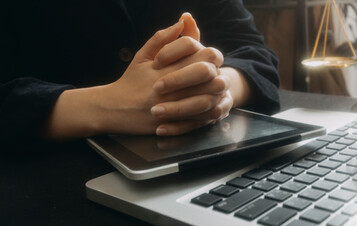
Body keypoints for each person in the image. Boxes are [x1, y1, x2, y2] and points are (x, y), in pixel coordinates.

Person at [0, 0, 280, 150]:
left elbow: (254, 53)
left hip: (201, 154)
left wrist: (216, 87)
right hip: (44, 176)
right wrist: (108, 105)